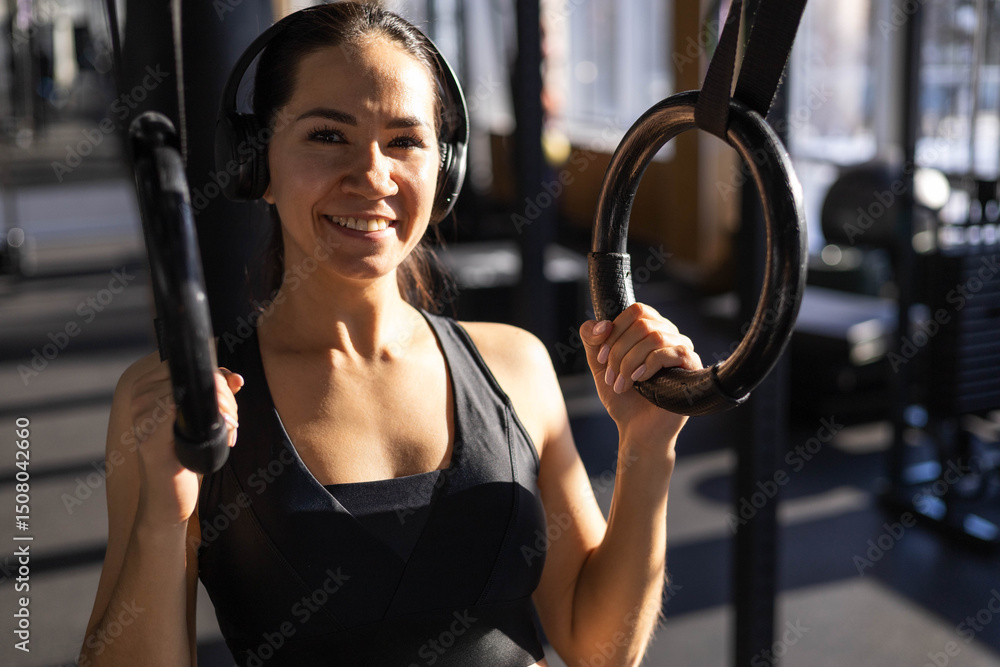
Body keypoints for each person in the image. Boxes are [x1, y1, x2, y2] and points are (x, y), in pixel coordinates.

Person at [78, 2, 701, 665]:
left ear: (445, 170)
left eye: (404, 141)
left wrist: (647, 446)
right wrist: (160, 518)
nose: (372, 176)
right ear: (257, 163)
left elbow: (599, 646)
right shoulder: (188, 401)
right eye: (326, 136)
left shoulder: (515, 364)